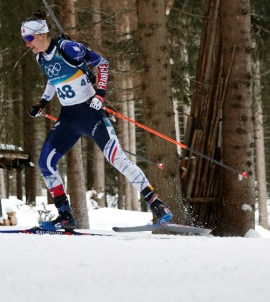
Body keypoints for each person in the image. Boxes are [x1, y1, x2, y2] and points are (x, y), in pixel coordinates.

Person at [21, 12, 173, 231]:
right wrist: (42, 102)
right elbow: (53, 79)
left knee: (117, 159)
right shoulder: (40, 57)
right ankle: (65, 216)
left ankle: (157, 204)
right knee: (45, 163)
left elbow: (102, 64)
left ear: (42, 33)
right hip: (68, 117)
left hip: (90, 113)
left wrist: (99, 95)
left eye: (29, 39)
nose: (27, 45)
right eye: (25, 40)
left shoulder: (68, 48)